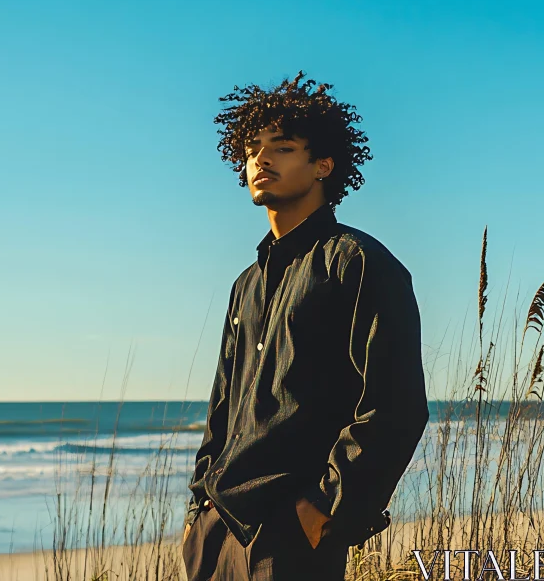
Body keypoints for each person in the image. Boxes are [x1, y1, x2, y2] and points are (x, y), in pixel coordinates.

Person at [181, 71, 429, 581]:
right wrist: (198, 510)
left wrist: (324, 508)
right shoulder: (245, 284)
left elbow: (396, 406)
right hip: (218, 530)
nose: (261, 159)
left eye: (283, 147)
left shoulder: (358, 263)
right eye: (252, 149)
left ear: (323, 164)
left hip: (289, 535)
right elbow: (222, 409)